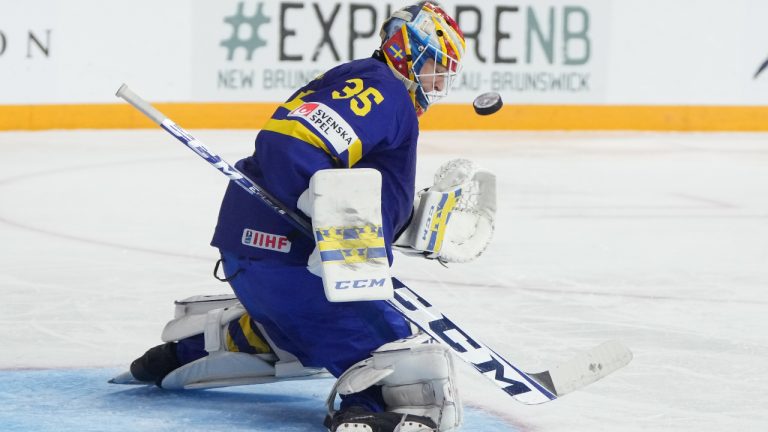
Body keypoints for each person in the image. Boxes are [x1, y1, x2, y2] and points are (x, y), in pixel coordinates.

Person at [119, 3, 495, 431]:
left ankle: (214, 344)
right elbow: (289, 147)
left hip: (261, 254)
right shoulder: (385, 93)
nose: (440, 79)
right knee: (408, 367)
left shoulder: (364, 80)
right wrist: (333, 229)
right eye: (435, 64)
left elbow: (335, 176)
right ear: (408, 50)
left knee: (305, 333)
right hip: (292, 259)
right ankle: (367, 407)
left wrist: (404, 220)